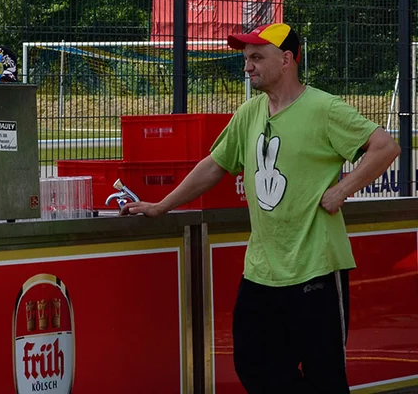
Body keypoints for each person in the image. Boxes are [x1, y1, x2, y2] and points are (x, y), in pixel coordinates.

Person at [122, 22, 400, 393]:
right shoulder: (249, 113)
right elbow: (214, 165)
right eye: (245, 58)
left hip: (315, 268)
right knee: (253, 364)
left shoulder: (323, 107)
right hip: (261, 272)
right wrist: (162, 206)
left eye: (256, 57)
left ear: (286, 60)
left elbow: (385, 147)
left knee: (325, 377)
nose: (247, 66)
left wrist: (342, 190)